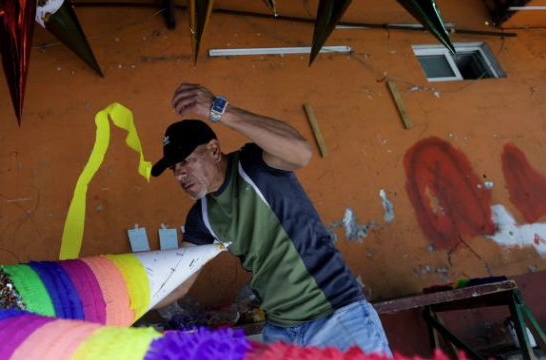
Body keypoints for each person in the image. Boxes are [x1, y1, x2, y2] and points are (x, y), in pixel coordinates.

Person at [151, 83, 392, 356]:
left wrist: (218, 110)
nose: (179, 175)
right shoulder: (201, 217)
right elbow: (178, 281)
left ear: (214, 151)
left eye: (184, 162)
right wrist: (114, 307)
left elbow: (301, 152)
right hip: (282, 331)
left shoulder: (255, 165)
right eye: (173, 168)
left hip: (335, 316)